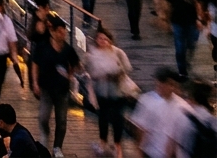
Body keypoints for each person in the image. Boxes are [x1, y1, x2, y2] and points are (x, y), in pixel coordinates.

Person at [31, 16, 79, 156]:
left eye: (64, 31)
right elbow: (35, 64)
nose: (62, 34)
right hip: (46, 88)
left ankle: (57, 146)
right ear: (52, 32)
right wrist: (35, 82)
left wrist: (70, 75)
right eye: (59, 31)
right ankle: (45, 135)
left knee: (62, 119)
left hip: (62, 89)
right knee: (43, 117)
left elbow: (75, 65)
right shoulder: (43, 47)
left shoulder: (68, 49)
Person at [85, 28, 133, 158]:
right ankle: (103, 142)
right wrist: (102, 76)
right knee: (103, 117)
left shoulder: (118, 52)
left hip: (119, 91)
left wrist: (117, 74)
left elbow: (127, 68)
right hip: (102, 91)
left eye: (105, 38)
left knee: (118, 119)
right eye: (100, 38)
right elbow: (90, 72)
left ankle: (117, 145)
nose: (103, 41)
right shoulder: (92, 55)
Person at [132, 68, 192, 158]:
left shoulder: (183, 108)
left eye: (161, 86)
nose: (158, 88)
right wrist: (139, 150)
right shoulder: (147, 100)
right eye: (157, 85)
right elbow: (141, 128)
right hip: (149, 152)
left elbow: (177, 138)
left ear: (172, 86)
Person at [165, 0, 208, 79]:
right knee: (179, 47)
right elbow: (168, 6)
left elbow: (199, 5)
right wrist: (166, 21)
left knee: (191, 44)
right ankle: (182, 71)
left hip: (193, 22)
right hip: (177, 21)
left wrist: (199, 19)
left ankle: (187, 61)